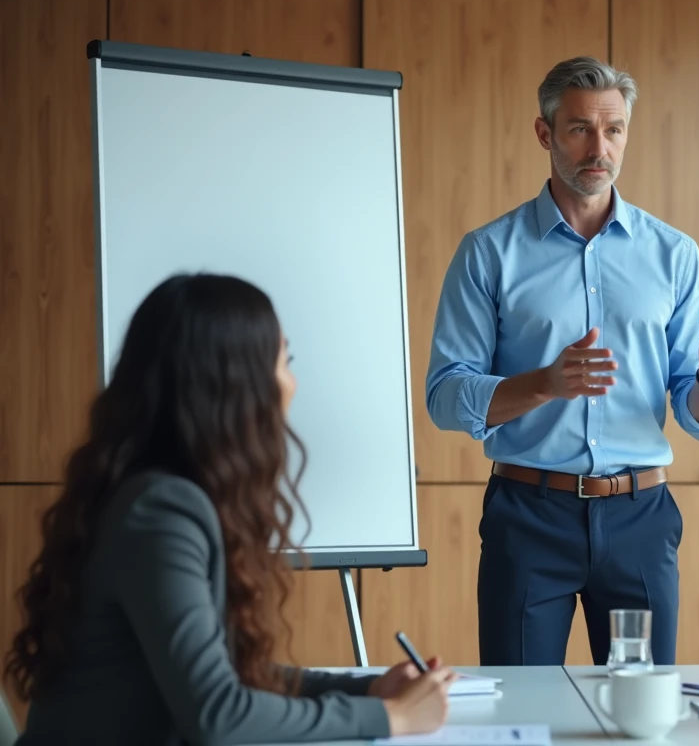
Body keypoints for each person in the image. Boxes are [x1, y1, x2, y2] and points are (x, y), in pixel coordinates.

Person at [4, 274, 455, 744]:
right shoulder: (159, 514)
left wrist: (370, 692)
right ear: (237, 386)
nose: (293, 385)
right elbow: (219, 715)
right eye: (286, 361)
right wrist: (391, 719)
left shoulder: (162, 497)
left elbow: (233, 678)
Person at [425, 56, 699, 667]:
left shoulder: (675, 256)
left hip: (640, 517)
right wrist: (544, 385)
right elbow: (446, 396)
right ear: (545, 133)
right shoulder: (488, 253)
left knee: (640, 717)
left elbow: (698, 412)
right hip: (528, 517)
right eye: (580, 128)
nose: (598, 147)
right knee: (519, 716)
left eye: (615, 129)